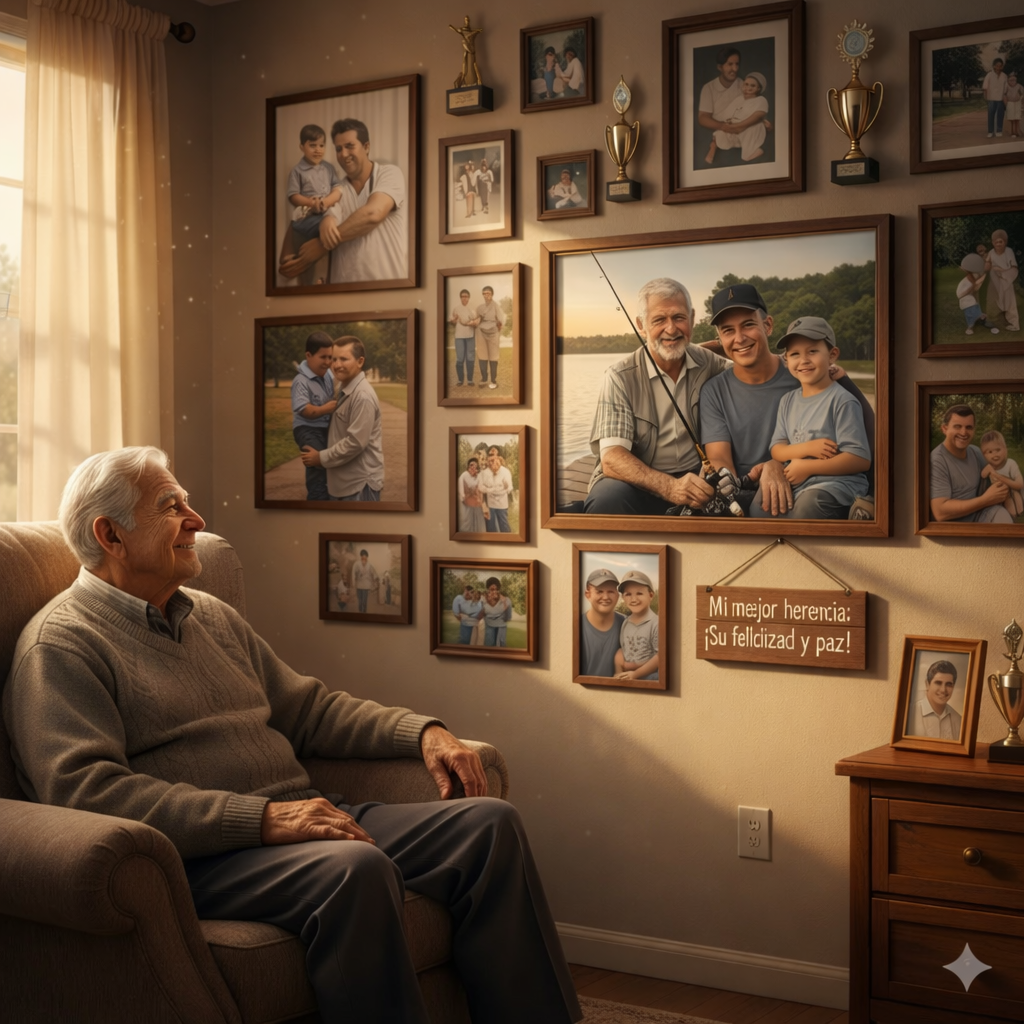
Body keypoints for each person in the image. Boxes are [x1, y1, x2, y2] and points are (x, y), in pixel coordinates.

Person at [2, 447, 582, 1024]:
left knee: (488, 825)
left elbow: (309, 711)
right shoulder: (61, 646)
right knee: (354, 869)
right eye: (171, 506)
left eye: (186, 502)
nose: (196, 520)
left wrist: (423, 732)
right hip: (201, 857)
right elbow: (86, 795)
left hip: (303, 819)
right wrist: (260, 821)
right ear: (111, 534)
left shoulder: (208, 614)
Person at [700, 283, 875, 518]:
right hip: (754, 489)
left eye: (749, 325)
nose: (739, 338)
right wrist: (734, 488)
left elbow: (866, 438)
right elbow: (719, 458)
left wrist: (843, 378)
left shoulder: (803, 376)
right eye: (728, 330)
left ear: (768, 325)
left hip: (812, 484)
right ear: (720, 338)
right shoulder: (713, 390)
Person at [584, 277, 730, 516]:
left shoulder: (710, 363)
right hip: (635, 481)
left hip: (697, 476)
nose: (671, 328)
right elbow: (612, 458)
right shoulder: (618, 376)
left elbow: (749, 369)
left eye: (679, 318)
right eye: (659, 319)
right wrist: (670, 487)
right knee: (606, 500)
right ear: (641, 325)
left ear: (692, 319)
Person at [755, 317, 871, 520]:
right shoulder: (787, 401)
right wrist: (806, 450)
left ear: (832, 355)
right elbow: (777, 449)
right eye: (795, 354)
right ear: (786, 360)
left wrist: (808, 467)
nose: (803, 360)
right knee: (759, 507)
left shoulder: (842, 401)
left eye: (812, 351)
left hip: (835, 484)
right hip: (798, 480)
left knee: (808, 507)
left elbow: (860, 459)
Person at [280, 118, 408, 285]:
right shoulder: (336, 191)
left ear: (367, 147)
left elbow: (373, 213)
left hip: (389, 289)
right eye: (338, 149)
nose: (343, 154)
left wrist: (321, 245)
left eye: (349, 146)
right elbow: (313, 218)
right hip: (342, 296)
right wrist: (290, 258)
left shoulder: (389, 173)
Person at [300, 337, 384, 502]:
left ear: (360, 362)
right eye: (334, 358)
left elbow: (355, 442)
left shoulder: (362, 396)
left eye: (344, 359)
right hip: (343, 485)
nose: (336, 365)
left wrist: (321, 458)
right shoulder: (343, 387)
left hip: (358, 486)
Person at [929, 403, 1012, 523]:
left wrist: (1000, 485)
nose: (963, 433)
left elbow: (993, 479)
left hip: (979, 515)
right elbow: (940, 513)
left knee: (1002, 514)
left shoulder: (975, 452)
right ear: (944, 429)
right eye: (957, 426)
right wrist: (986, 499)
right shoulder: (937, 460)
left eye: (969, 427)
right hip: (952, 528)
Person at [281, 124, 343, 267]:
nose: (318, 150)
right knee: (305, 223)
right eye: (312, 145)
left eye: (321, 145)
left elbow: (337, 189)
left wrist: (327, 201)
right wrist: (310, 202)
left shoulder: (328, 168)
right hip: (308, 213)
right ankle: (298, 252)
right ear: (302, 147)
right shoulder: (297, 171)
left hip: (326, 209)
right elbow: (293, 195)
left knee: (337, 218)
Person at [290, 331, 337, 501]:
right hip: (307, 429)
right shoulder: (301, 381)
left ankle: (328, 497)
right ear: (308, 355)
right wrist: (326, 408)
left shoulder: (327, 376)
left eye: (330, 357)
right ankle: (317, 499)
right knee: (316, 465)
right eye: (323, 357)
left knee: (327, 463)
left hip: (324, 428)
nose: (327, 362)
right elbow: (304, 410)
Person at [706, 72, 769, 164]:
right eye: (746, 84)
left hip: (749, 128)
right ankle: (713, 147)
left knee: (746, 157)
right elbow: (726, 115)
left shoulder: (760, 100)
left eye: (753, 86)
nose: (748, 88)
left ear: (758, 88)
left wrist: (737, 126)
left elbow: (757, 117)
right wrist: (730, 124)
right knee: (719, 135)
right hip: (735, 130)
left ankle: (752, 151)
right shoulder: (739, 99)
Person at [579, 568, 626, 677]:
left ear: (617, 596)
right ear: (588, 594)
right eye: (599, 591)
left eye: (611, 592)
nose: (605, 597)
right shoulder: (576, 626)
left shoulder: (628, 624)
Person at [613, 570, 659, 683]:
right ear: (623, 597)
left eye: (639, 593)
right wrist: (619, 672)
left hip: (650, 679)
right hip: (628, 678)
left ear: (651, 595)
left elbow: (660, 657)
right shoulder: (626, 623)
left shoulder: (656, 623)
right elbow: (624, 651)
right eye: (628, 594)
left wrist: (635, 673)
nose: (634, 599)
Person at [907, 661, 963, 740]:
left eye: (948, 684)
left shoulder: (958, 720)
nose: (943, 690)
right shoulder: (910, 714)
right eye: (938, 683)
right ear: (927, 684)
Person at [698, 47, 744, 136]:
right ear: (720, 67)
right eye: (730, 64)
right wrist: (724, 127)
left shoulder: (743, 85)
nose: (735, 69)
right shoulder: (709, 88)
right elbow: (703, 117)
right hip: (715, 133)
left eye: (737, 64)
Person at [979, 429, 1024, 518]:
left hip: (1015, 497)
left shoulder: (1011, 463)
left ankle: (1016, 513)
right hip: (997, 502)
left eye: (998, 450)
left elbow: (1020, 484)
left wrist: (996, 475)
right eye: (990, 452)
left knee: (1011, 491)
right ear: (984, 455)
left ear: (1005, 449)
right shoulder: (987, 467)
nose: (995, 454)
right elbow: (983, 475)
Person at [984, 229, 1019, 332]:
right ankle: (992, 320)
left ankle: (1014, 325)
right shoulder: (991, 252)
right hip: (995, 281)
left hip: (1006, 279)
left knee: (1010, 302)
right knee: (993, 300)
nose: (998, 244)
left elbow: (1014, 267)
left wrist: (1001, 271)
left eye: (1001, 242)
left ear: (1005, 242)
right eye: (996, 242)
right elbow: (987, 266)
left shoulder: (1009, 251)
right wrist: (987, 264)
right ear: (993, 242)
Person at [956, 253, 996, 336]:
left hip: (969, 296)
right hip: (964, 296)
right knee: (971, 310)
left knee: (975, 306)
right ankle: (971, 326)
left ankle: (980, 317)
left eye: (989, 264)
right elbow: (974, 285)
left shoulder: (981, 274)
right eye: (986, 264)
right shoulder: (973, 275)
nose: (988, 266)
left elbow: (976, 285)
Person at [475, 285, 505, 389]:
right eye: (484, 293)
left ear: (492, 294)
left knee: (493, 356)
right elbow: (477, 320)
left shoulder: (496, 306)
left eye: (488, 293)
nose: (486, 295)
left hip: (493, 333)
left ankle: (493, 380)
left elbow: (501, 321)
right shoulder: (479, 308)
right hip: (481, 332)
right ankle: (484, 379)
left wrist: (496, 330)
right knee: (482, 355)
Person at [479, 445, 514, 533]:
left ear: (499, 459)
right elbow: (480, 487)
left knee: (504, 526)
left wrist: (501, 491)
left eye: (495, 460)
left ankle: (508, 543)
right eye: (490, 460)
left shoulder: (505, 472)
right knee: (490, 528)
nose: (492, 463)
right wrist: (491, 490)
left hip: (502, 505)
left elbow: (509, 487)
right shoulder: (484, 473)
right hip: (490, 505)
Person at [450, 287, 481, 386]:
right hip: (459, 337)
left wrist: (473, 322)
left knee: (470, 358)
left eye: (466, 296)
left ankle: (470, 380)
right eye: (462, 296)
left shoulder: (473, 309)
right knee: (459, 358)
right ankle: (460, 380)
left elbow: (477, 321)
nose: (464, 298)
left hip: (470, 336)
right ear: (460, 298)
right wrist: (454, 320)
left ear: (469, 297)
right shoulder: (456, 308)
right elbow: (453, 323)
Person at [457, 456, 488, 533]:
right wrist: (464, 498)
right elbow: (463, 491)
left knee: (479, 527)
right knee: (467, 525)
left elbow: (481, 488)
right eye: (471, 465)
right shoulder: (464, 475)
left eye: (475, 465)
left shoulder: (478, 476)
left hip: (477, 506)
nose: (473, 467)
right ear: (468, 467)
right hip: (467, 506)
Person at [481, 578, 513, 647]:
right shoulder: (483, 600)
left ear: (499, 590)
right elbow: (482, 615)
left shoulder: (506, 600)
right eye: (492, 590)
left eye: (496, 589)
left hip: (501, 627)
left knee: (501, 647)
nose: (494, 592)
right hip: (489, 626)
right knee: (489, 646)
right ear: (488, 590)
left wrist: (504, 603)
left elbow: (508, 618)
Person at [983, 57, 1008, 138]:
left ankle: (999, 130)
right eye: (997, 66)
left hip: (1000, 98)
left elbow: (1006, 88)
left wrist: (1005, 98)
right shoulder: (989, 75)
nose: (998, 67)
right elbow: (985, 87)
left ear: (1002, 67)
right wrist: (986, 97)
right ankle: (990, 131)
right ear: (994, 66)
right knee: (991, 115)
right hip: (991, 98)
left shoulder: (1004, 76)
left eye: (1000, 66)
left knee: (1000, 115)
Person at [352, 549, 380, 614]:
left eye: (365, 557)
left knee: (364, 600)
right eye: (362, 556)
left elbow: (374, 573)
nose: (364, 558)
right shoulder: (357, 564)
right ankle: (360, 612)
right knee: (360, 600)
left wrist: (377, 579)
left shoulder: (370, 565)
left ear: (367, 557)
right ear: (361, 557)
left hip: (366, 585)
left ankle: (364, 612)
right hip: (359, 585)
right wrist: (354, 582)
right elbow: (353, 573)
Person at [1006, 72, 1024, 138]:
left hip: (1017, 103)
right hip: (1010, 102)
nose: (1012, 82)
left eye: (1014, 80)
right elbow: (1004, 94)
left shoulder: (1019, 86)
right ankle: (1012, 132)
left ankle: (1016, 132)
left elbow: (1022, 93)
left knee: (1017, 118)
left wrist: (1021, 99)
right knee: (1011, 118)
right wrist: (1005, 102)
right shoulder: (1006, 86)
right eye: (1011, 80)